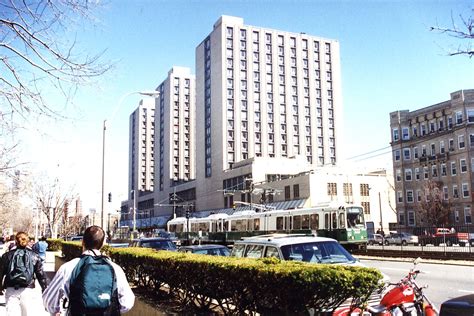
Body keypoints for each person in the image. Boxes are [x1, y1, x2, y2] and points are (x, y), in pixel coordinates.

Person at [43, 225, 135, 315]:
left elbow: (49, 301)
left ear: (82, 242)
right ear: (102, 244)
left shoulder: (68, 268)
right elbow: (127, 302)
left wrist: (63, 311)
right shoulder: (115, 269)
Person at [0, 231, 49, 315]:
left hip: (11, 289)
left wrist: (0, 287)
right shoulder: (34, 256)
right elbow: (41, 275)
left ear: (16, 241)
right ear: (28, 241)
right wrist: (45, 289)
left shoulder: (7, 256)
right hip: (28, 290)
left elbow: (0, 273)